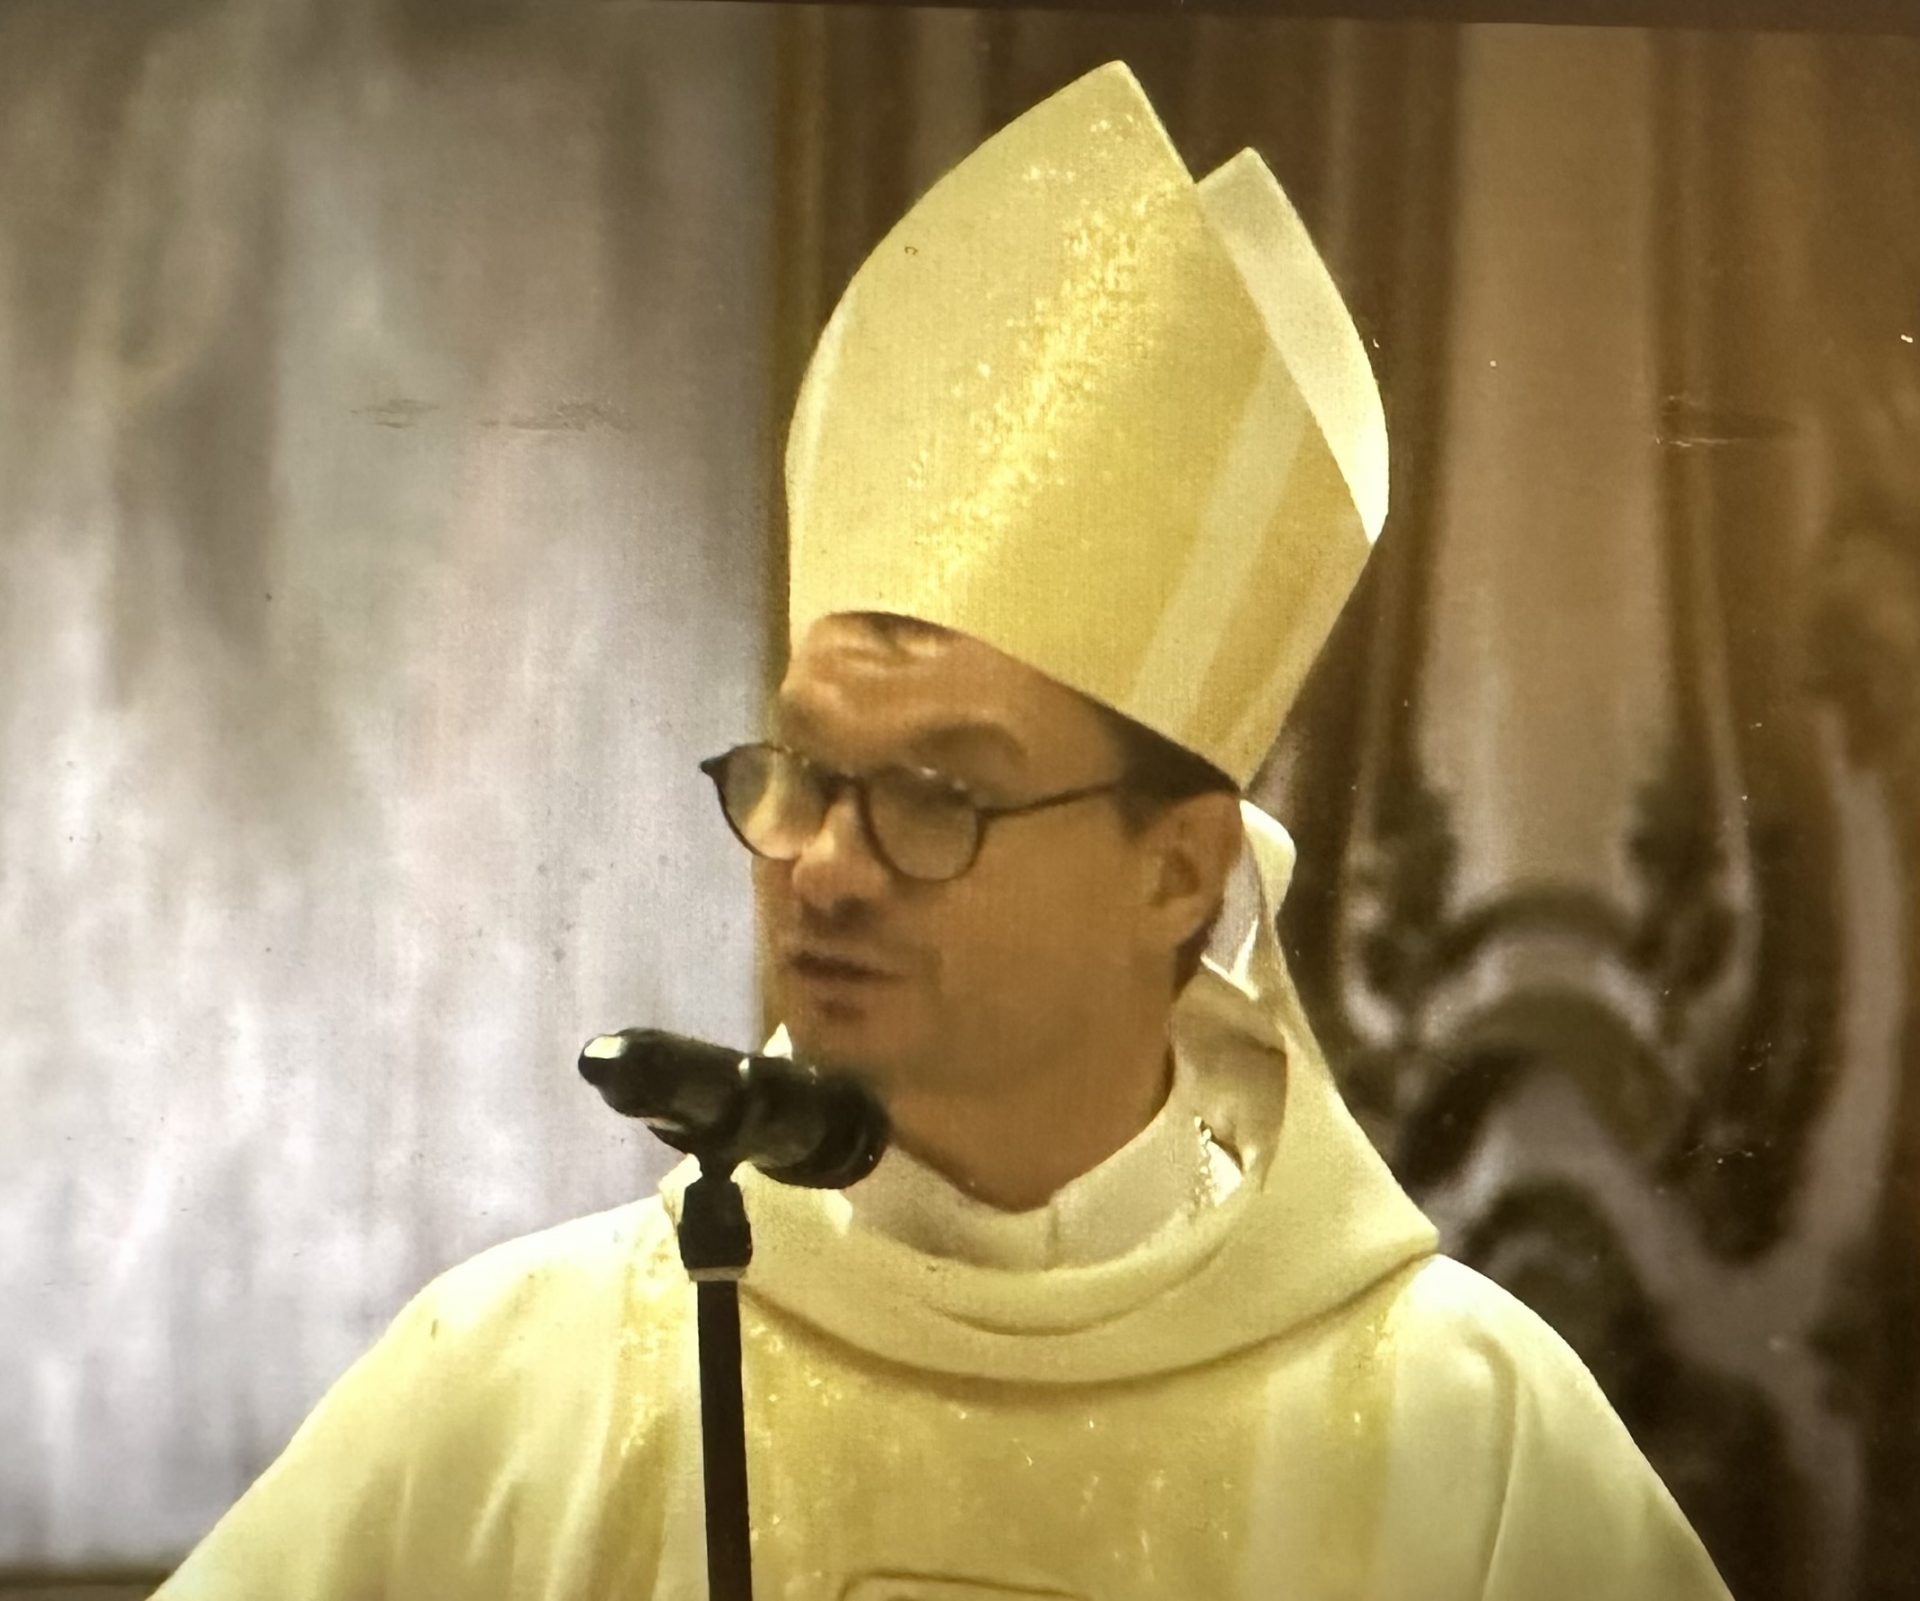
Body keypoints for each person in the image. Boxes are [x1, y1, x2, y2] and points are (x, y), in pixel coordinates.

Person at [155, 60, 1734, 1600]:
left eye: (935, 798)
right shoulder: (513, 1391)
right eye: (805, 776)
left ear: (1176, 868)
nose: (826, 865)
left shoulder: (1466, 1435)